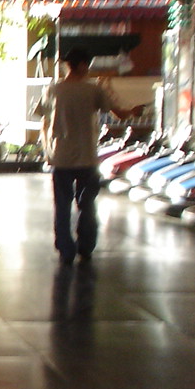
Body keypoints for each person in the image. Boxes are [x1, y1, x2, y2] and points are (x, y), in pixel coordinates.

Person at [33, 48, 138, 265]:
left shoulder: (52, 90)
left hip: (61, 157)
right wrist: (134, 111)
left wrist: (48, 150)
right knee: (87, 205)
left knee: (62, 206)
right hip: (87, 158)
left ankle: (66, 250)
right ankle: (86, 247)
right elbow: (118, 114)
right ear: (82, 65)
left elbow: (41, 118)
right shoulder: (93, 90)